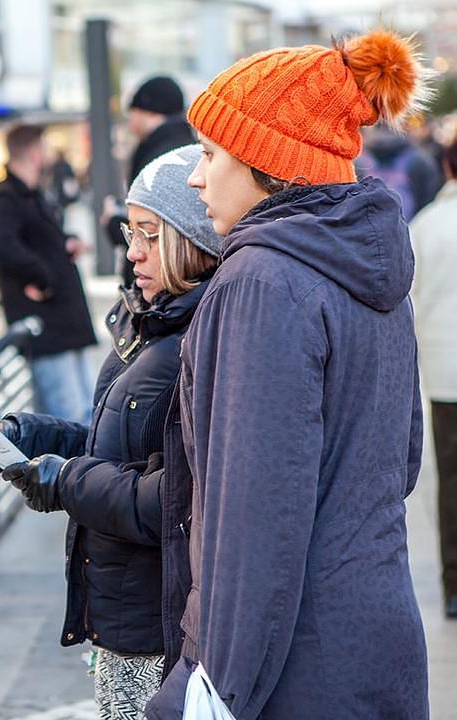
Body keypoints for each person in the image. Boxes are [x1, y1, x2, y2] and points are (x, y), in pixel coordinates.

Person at [147, 30, 430, 719]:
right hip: (376, 637)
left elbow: (252, 519)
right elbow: (404, 457)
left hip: (295, 669)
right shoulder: (363, 261)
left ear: (268, 164)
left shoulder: (262, 278)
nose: (194, 176)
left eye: (211, 154)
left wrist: (212, 691)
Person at [0, 145, 220, 720]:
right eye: (127, 232)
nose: (131, 251)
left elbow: (172, 499)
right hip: (120, 611)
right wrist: (31, 434)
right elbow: (115, 448)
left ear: (190, 241)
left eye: (149, 235)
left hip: (155, 625)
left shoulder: (192, 341)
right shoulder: (147, 321)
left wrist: (63, 482)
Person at [0, 124, 97, 424]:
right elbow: (3, 244)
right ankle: (70, 472)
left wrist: (65, 243)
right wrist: (40, 278)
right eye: (44, 149)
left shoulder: (33, 195)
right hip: (46, 324)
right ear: (34, 153)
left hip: (65, 321)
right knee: (68, 416)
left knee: (84, 410)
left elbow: (38, 240)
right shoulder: (5, 198)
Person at [409, 137, 457, 619]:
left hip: (445, 374)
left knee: (451, 482)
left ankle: (453, 586)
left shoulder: (427, 224)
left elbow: (411, 297)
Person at [104, 76, 195, 287]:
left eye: (131, 112)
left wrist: (113, 223)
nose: (129, 122)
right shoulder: (182, 147)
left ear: (148, 110)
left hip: (160, 283)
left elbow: (159, 226)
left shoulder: (160, 158)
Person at [356, 123, 440, 221]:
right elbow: (428, 204)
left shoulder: (358, 161)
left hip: (366, 231)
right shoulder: (420, 159)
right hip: (411, 229)